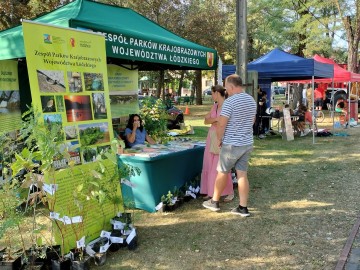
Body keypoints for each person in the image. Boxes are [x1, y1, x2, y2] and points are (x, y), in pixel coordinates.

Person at [202, 74, 257, 217]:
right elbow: (252, 121)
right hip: (246, 143)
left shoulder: (230, 102)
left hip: (231, 144)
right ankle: (243, 207)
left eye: (226, 87)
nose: (226, 90)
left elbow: (221, 124)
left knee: (222, 171)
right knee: (242, 175)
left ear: (232, 87)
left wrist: (219, 139)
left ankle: (214, 202)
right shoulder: (251, 100)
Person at [200, 85, 234, 202]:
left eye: (212, 93)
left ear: (217, 93)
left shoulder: (226, 105)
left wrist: (213, 120)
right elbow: (205, 120)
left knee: (222, 165)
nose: (211, 96)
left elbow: (224, 122)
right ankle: (211, 191)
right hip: (212, 136)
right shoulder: (214, 106)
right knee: (210, 164)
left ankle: (229, 191)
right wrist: (215, 119)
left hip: (222, 137)